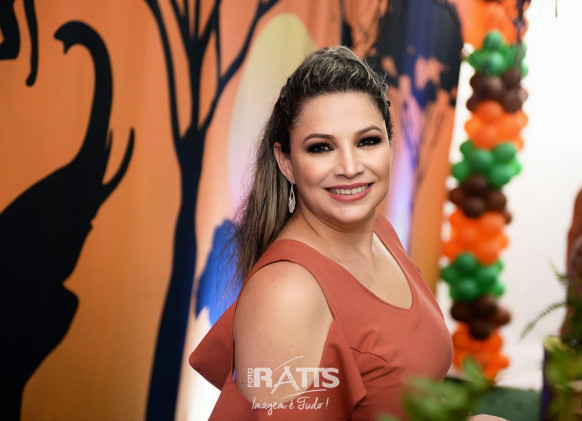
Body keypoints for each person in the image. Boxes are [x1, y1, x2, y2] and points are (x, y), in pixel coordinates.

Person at [190, 46, 501, 420]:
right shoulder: (287, 293)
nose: (350, 167)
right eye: (321, 147)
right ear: (286, 162)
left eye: (367, 141)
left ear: (389, 143)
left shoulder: (382, 234)